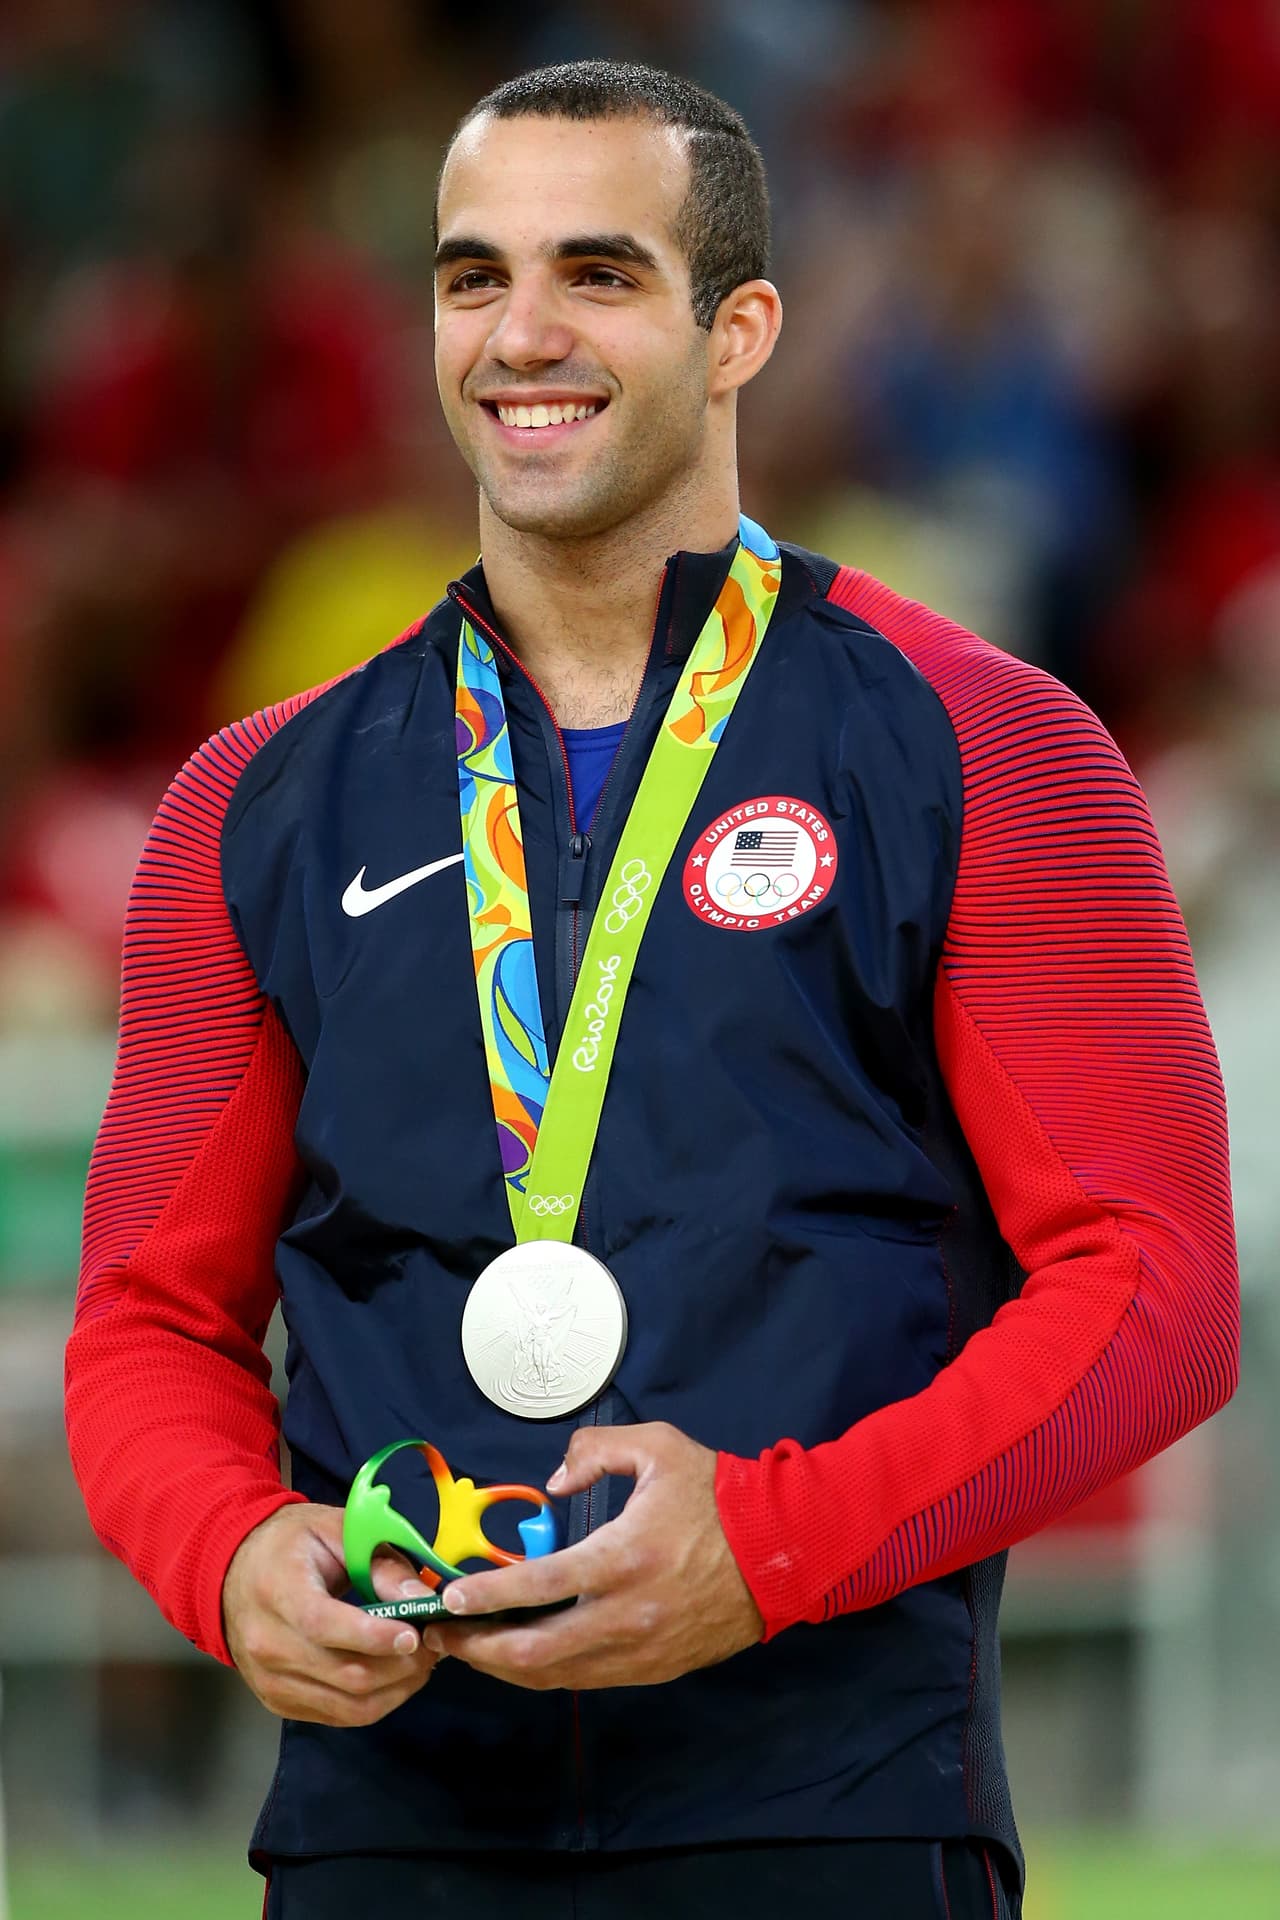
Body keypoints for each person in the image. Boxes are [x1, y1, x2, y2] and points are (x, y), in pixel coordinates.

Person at [64, 59, 1239, 1920]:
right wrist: (228, 1554)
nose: (521, 335)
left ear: (741, 327)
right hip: (392, 1827)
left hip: (827, 1808)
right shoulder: (257, 800)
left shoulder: (992, 748)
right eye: (472, 278)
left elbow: (1157, 1288)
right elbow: (145, 1314)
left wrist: (767, 1548)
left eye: (598, 273)